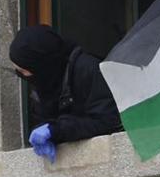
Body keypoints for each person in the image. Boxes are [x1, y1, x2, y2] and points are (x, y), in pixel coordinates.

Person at [9, 24, 120, 162]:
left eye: (24, 70)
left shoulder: (87, 70)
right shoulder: (44, 84)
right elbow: (43, 119)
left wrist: (57, 130)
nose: (22, 75)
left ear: (40, 65)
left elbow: (108, 121)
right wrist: (44, 131)